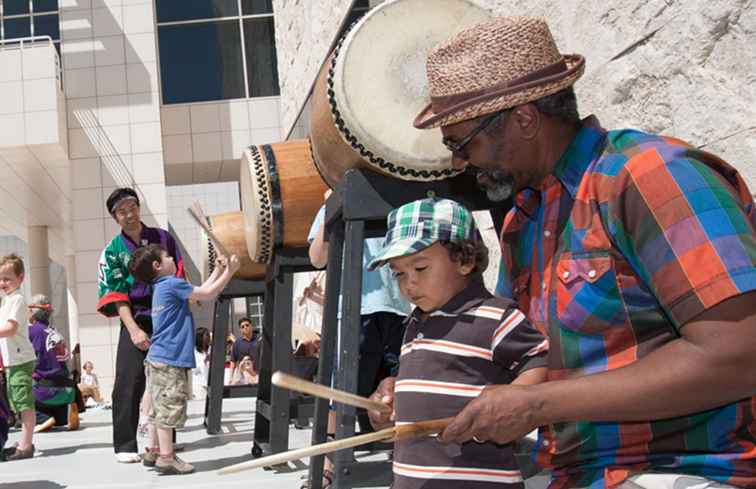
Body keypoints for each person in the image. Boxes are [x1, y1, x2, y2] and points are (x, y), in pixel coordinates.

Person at [409, 17, 756, 489]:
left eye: (461, 144)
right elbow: (519, 365)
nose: (458, 163)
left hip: (685, 470)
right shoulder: (522, 224)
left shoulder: (650, 177)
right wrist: (421, 392)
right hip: (573, 474)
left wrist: (539, 405)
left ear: (524, 119)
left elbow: (739, 356)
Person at [367, 198, 549, 489]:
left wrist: (514, 402)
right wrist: (391, 402)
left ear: (465, 260)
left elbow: (540, 361)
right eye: (398, 273)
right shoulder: (415, 323)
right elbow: (431, 381)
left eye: (421, 268)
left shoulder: (496, 317)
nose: (408, 284)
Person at [307, 189, 413, 488]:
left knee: (398, 387)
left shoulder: (394, 195)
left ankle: (402, 458)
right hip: (354, 310)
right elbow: (317, 258)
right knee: (339, 393)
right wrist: (331, 208)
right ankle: (328, 465)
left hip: (396, 308)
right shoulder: (333, 201)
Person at [128, 243, 239, 475]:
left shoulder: (162, 287)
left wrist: (218, 271)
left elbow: (199, 289)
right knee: (169, 409)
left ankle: (153, 450)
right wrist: (230, 271)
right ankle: (167, 458)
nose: (172, 259)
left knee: (159, 407)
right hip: (169, 359)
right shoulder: (171, 283)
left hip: (158, 357)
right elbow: (207, 294)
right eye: (168, 257)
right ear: (158, 265)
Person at [96, 187, 185, 463]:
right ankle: (124, 445)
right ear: (115, 217)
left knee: (168, 379)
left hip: (167, 317)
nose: (129, 214)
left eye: (132, 207)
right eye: (122, 211)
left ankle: (165, 444)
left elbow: (178, 273)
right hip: (135, 316)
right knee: (128, 379)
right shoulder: (113, 251)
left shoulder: (162, 238)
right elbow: (117, 294)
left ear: (138, 207)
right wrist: (133, 329)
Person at [0, 254, 36, 460]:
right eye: (1, 279)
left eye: (7, 279)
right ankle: (24, 440)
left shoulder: (17, 299)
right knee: (18, 403)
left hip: (21, 360)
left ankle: (26, 445)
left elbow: (11, 328)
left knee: (24, 404)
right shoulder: (7, 301)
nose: (3, 283)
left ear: (20, 278)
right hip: (13, 361)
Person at [27, 295, 80, 433]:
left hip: (45, 390)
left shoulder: (32, 331)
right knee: (56, 415)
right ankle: (63, 415)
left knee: (18, 390)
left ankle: (41, 418)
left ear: (33, 311)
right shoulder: (55, 332)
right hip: (67, 389)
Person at [192, 327, 211, 399]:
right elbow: (193, 370)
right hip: (199, 385)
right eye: (207, 335)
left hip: (211, 385)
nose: (209, 337)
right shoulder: (194, 353)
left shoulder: (212, 350)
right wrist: (204, 361)